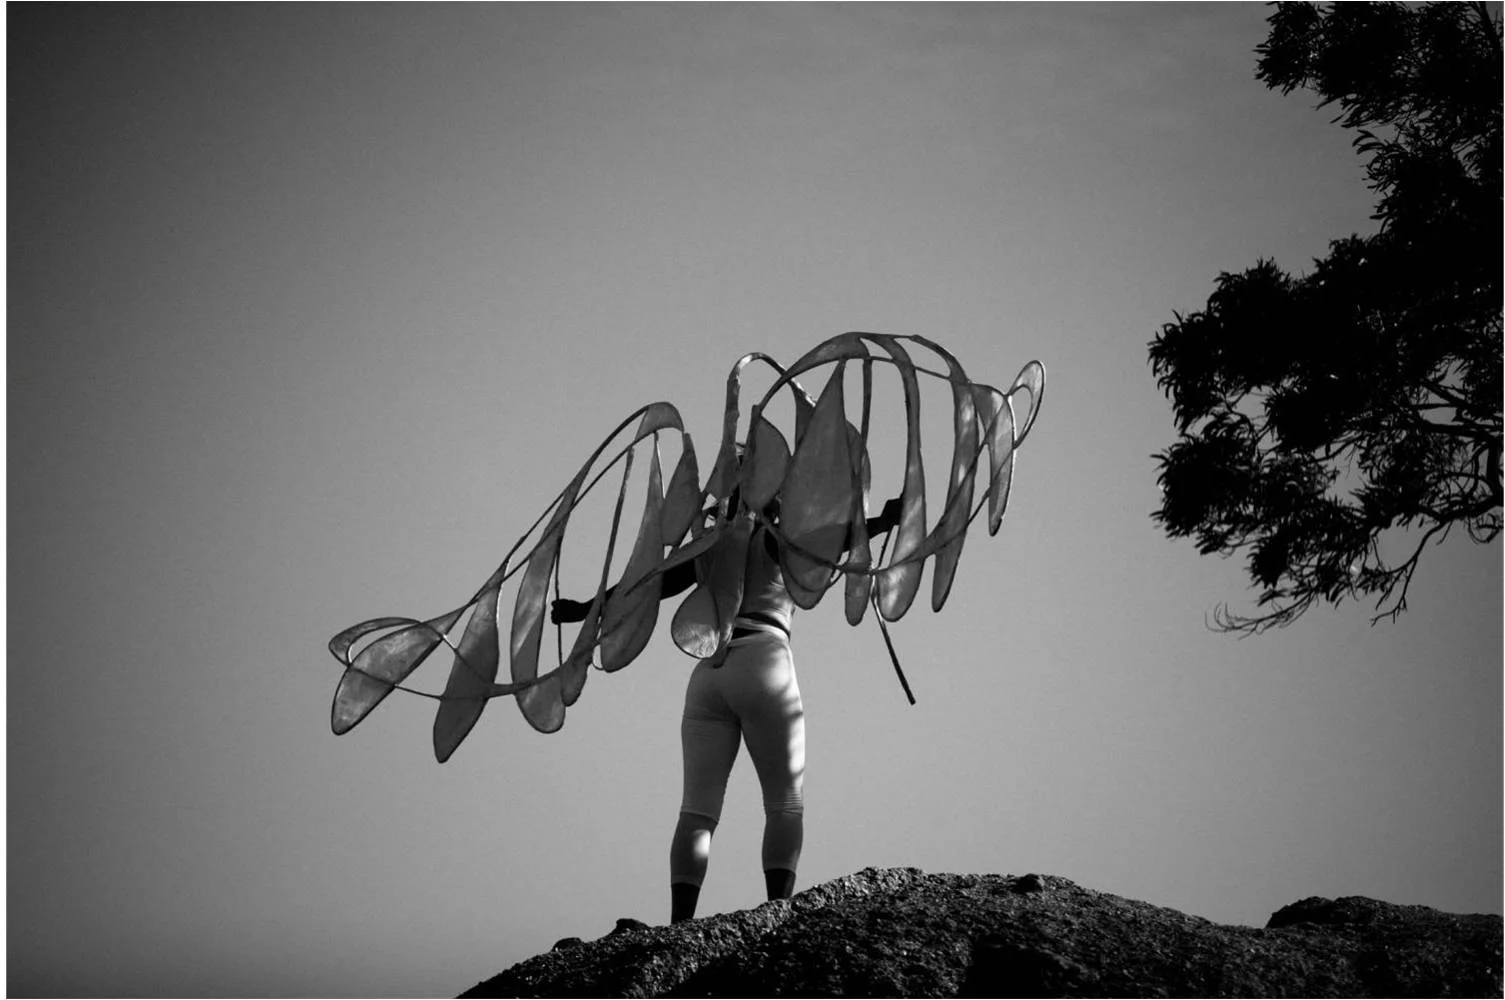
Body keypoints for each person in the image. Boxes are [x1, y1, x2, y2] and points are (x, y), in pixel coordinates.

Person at [553, 484, 903, 923]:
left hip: (707, 676)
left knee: (697, 809)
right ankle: (777, 913)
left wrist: (584, 608)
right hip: (763, 661)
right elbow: (829, 543)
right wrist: (884, 523)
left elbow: (640, 588)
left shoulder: (706, 548)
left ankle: (680, 923)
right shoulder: (774, 539)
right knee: (784, 803)